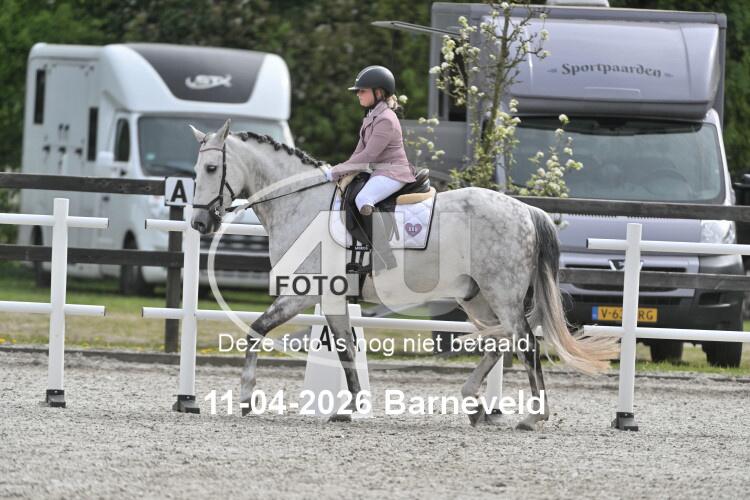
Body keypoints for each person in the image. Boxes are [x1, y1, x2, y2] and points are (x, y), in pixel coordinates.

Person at [321, 65, 417, 271]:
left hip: (394, 172)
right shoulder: (372, 117)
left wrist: (334, 172)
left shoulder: (386, 119)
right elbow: (358, 154)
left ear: (379, 93)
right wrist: (341, 170)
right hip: (380, 171)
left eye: (362, 91)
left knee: (363, 198)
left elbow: (368, 157)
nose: (358, 95)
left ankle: (384, 256)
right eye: (358, 91)